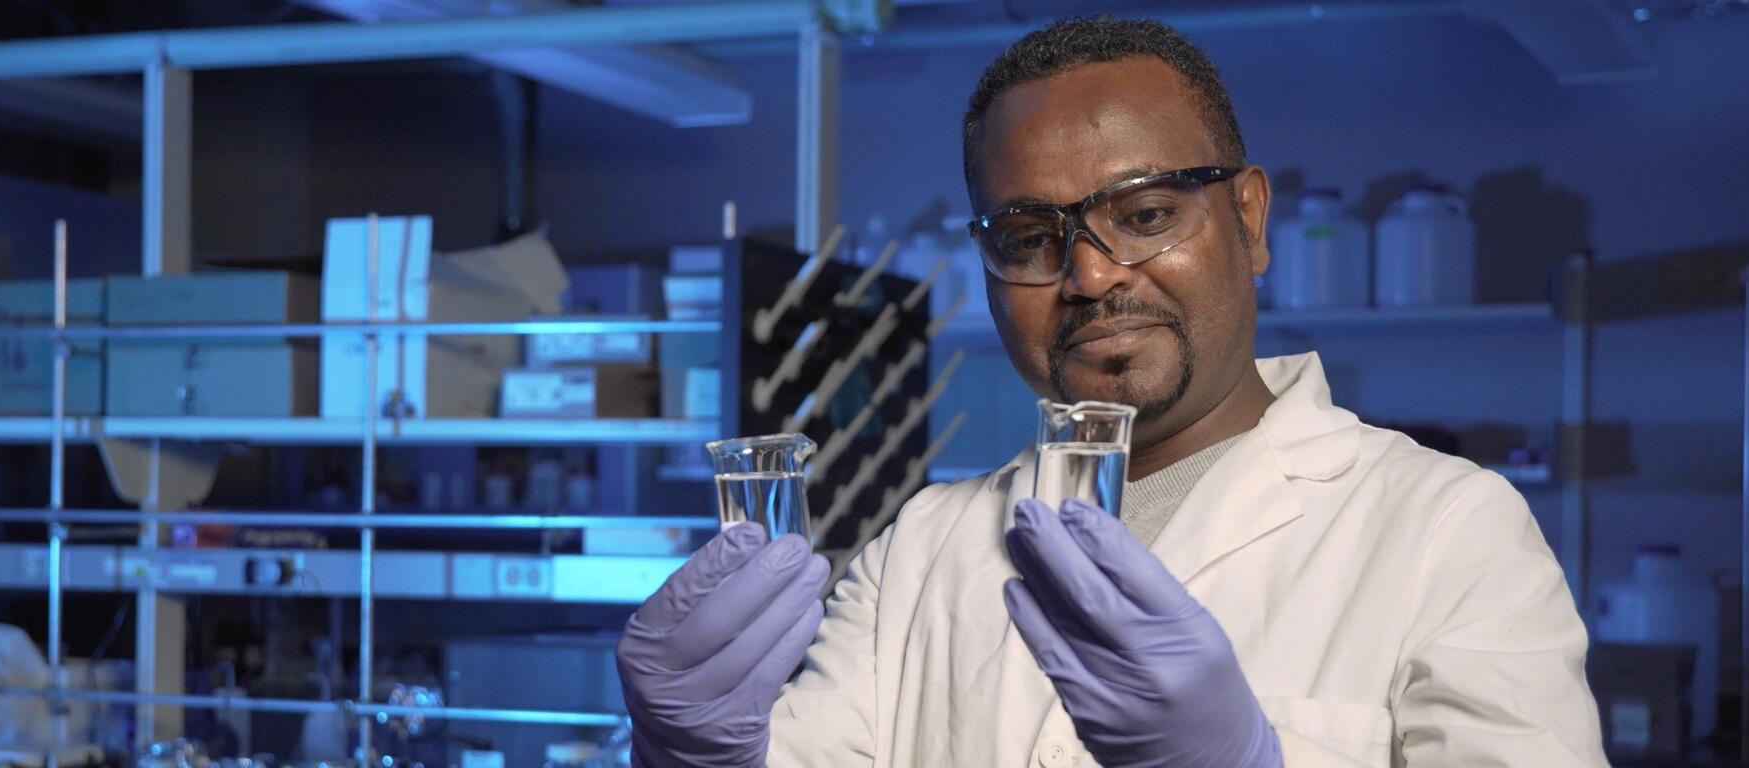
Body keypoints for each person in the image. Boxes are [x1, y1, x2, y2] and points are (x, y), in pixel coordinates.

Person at [617, 16, 1609, 768]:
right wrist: (688, 753)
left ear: (1251, 222)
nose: (1091, 276)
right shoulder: (918, 552)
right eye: (1030, 237)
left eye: (1144, 214)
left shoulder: (1449, 531)